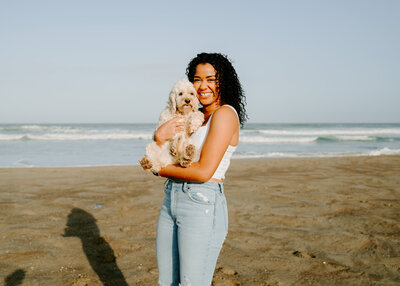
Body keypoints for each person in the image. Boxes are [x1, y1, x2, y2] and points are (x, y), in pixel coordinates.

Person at [153, 53, 247, 286]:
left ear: (223, 81)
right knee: (167, 282)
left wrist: (159, 169)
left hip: (202, 201)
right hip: (172, 198)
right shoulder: (192, 116)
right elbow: (167, 151)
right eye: (197, 79)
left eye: (211, 79)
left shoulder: (224, 114)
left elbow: (204, 171)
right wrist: (158, 138)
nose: (203, 86)